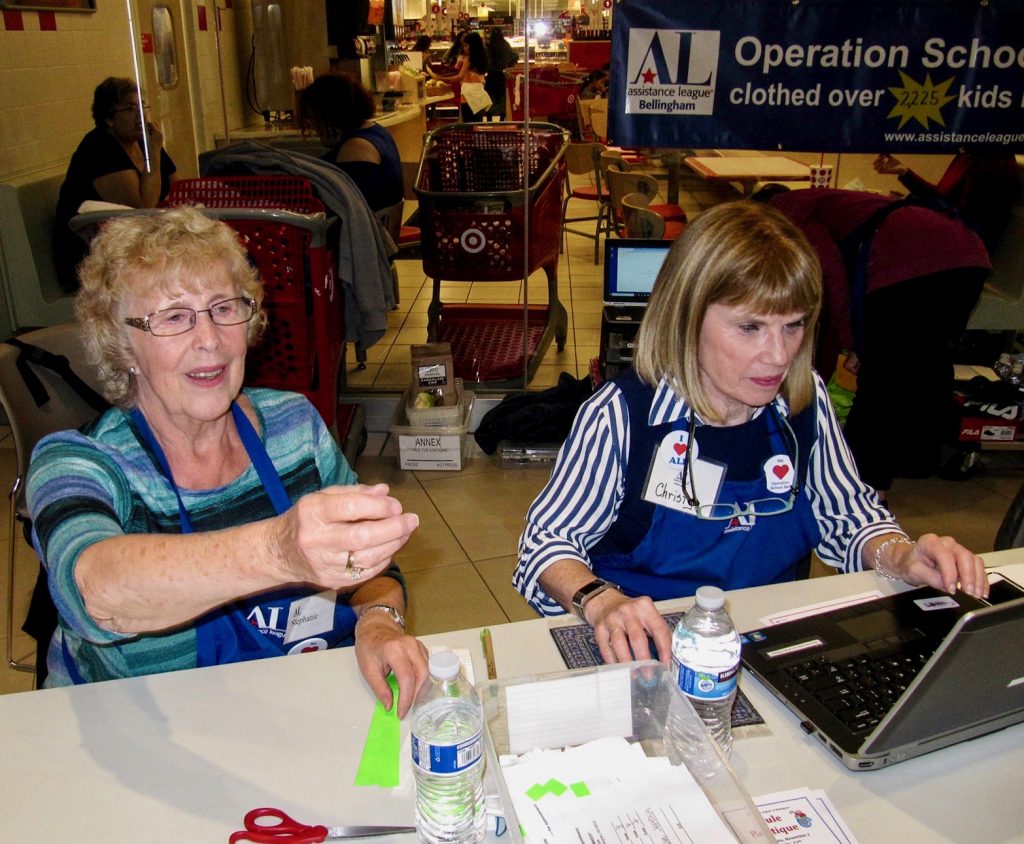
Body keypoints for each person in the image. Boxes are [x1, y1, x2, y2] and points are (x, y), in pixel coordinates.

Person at [513, 201, 987, 667]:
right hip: (649, 644)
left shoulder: (804, 401)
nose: (779, 356)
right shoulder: (624, 414)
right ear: (687, 317)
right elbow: (545, 543)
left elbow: (848, 517)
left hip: (772, 639)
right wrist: (601, 602)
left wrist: (899, 555)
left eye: (794, 326)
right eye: (750, 327)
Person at [27, 207, 426, 716]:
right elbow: (96, 595)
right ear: (121, 342)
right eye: (174, 318)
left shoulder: (294, 428)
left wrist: (379, 620)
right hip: (136, 736)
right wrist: (279, 551)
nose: (209, 340)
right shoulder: (79, 462)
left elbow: (371, 569)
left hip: (282, 715)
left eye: (224, 308)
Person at [769, 188, 991, 499]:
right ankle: (921, 460)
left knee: (881, 382)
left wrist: (853, 342)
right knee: (927, 360)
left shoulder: (790, 217)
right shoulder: (832, 203)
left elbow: (832, 278)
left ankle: (866, 490)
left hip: (913, 269)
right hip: (972, 259)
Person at [53, 77, 177, 293]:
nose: (141, 116)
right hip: (94, 258)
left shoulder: (142, 140)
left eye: (142, 107)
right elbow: (141, 209)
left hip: (136, 244)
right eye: (130, 109)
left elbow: (176, 186)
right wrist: (154, 152)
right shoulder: (100, 147)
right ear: (109, 118)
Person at [872, 150, 1020, 252]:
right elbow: (944, 196)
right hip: (954, 235)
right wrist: (903, 172)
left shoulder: (995, 160)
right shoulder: (969, 152)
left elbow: (963, 217)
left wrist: (912, 208)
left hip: (966, 248)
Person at [298, 73, 404, 215]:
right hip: (379, 231)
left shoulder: (357, 148)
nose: (314, 129)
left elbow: (351, 211)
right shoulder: (376, 131)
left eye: (315, 120)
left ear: (330, 116)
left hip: (364, 235)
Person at [426, 30, 491, 123]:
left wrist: (439, 78)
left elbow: (459, 77)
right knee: (477, 124)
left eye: (466, 46)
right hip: (479, 95)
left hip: (468, 97)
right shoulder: (482, 58)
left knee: (468, 125)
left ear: (472, 46)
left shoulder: (469, 59)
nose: (464, 48)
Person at [485, 27, 518, 120]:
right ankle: (501, 119)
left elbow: (486, 61)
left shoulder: (489, 46)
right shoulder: (506, 45)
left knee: (491, 99)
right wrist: (509, 66)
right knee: (503, 99)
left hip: (492, 76)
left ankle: (489, 119)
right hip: (503, 76)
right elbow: (514, 56)